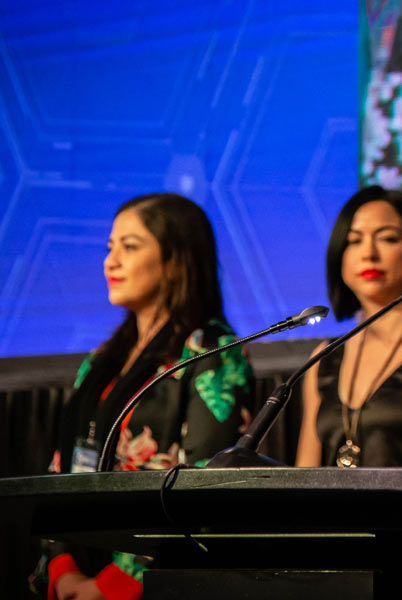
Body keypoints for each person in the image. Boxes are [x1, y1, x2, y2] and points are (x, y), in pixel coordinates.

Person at [39, 193, 253, 600]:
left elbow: (207, 485)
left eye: (130, 247)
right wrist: (61, 565)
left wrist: (113, 586)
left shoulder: (211, 353)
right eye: (110, 247)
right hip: (76, 574)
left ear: (175, 261)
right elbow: (60, 465)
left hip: (153, 584)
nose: (111, 261)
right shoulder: (101, 360)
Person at [295, 186, 402, 468]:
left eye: (387, 238)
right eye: (354, 241)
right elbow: (304, 473)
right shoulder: (323, 358)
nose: (369, 253)